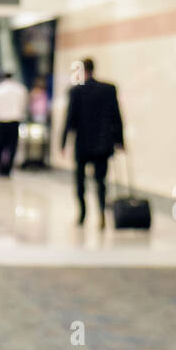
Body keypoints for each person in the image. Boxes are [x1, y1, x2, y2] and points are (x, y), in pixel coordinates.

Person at [60, 58, 124, 226]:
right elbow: (116, 117)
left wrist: (63, 142)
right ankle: (102, 213)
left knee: (80, 181)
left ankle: (82, 214)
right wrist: (120, 141)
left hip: (82, 144)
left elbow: (69, 119)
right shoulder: (109, 89)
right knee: (101, 181)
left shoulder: (76, 91)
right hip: (103, 143)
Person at [0, 71, 29, 177]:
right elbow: (25, 104)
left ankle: (0, 167)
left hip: (1, 121)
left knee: (0, 145)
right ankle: (8, 168)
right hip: (15, 121)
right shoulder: (20, 89)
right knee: (12, 145)